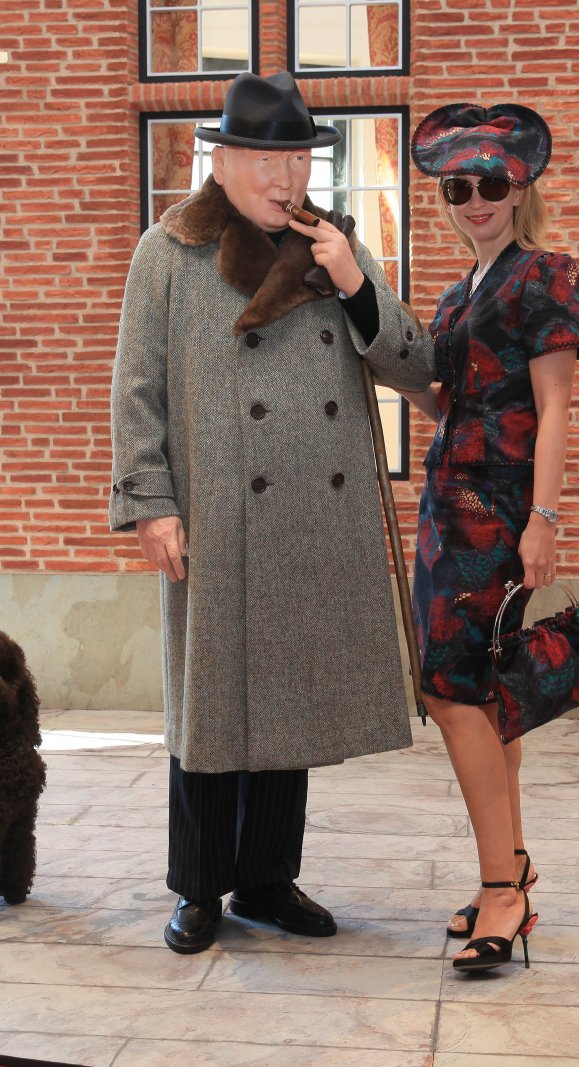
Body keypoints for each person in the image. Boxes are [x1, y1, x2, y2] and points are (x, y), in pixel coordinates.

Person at [110, 71, 436, 955]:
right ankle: (198, 886)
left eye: (299, 158)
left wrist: (355, 284)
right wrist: (150, 502)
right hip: (215, 512)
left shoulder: (333, 245)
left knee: (288, 706)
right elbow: (136, 388)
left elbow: (417, 365)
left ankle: (264, 879)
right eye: (266, 159)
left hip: (312, 519)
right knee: (211, 709)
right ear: (221, 162)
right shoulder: (167, 251)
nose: (287, 177)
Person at [400, 103, 579, 973]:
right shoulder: (456, 295)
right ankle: (507, 870)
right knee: (482, 694)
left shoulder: (544, 275)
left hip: (500, 515)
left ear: (519, 188)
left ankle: (502, 893)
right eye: (458, 187)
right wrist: (392, 368)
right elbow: (449, 405)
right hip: (445, 511)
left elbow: (554, 407)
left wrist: (543, 520)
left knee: (451, 693)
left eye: (490, 184)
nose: (474, 200)